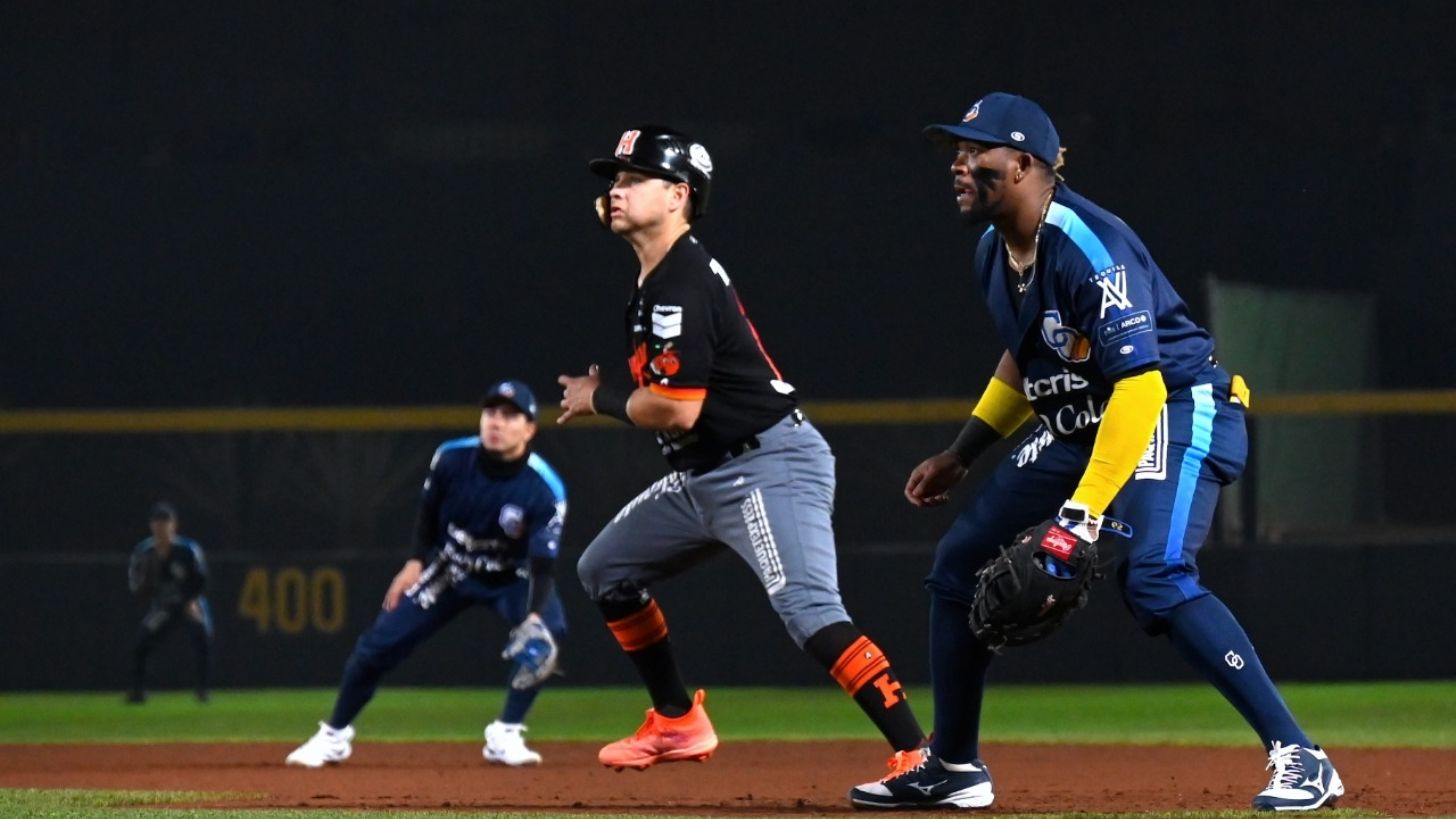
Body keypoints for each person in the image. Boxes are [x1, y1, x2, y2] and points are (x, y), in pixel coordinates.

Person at [849, 92, 1343, 812]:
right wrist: (964, 450)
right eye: (955, 150)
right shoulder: (993, 251)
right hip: (1084, 421)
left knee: (1156, 574)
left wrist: (1079, 517)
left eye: (975, 150)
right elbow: (1027, 358)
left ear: (1023, 164)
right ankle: (954, 764)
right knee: (958, 564)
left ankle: (1301, 755)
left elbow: (1139, 387)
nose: (957, 163)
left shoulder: (1089, 244)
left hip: (1174, 405)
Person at [559, 127, 926, 780]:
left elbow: (676, 409)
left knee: (810, 613)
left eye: (633, 178)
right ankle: (677, 718)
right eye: (613, 179)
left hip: (766, 463)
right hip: (704, 471)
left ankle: (921, 753)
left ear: (678, 195)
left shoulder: (679, 282)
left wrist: (600, 398)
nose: (615, 189)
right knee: (604, 569)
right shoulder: (658, 276)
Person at [286, 380, 568, 768]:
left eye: (509, 416)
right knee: (376, 646)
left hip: (511, 576)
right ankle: (333, 735)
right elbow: (428, 512)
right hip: (452, 568)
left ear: (530, 429)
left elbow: (543, 565)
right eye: (490, 413)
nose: (496, 422)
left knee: (548, 633)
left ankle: (505, 733)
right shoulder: (451, 459)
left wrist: (534, 616)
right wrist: (415, 561)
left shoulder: (544, 488)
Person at [127, 502, 212, 703]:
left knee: (202, 638)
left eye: (165, 523)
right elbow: (135, 582)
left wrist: (191, 601)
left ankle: (202, 690)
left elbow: (201, 579)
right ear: (151, 526)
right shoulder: (145, 551)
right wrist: (143, 591)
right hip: (164, 606)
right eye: (157, 524)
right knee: (142, 642)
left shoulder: (187, 549)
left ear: (174, 525)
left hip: (189, 603)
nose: (161, 528)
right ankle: (138, 691)